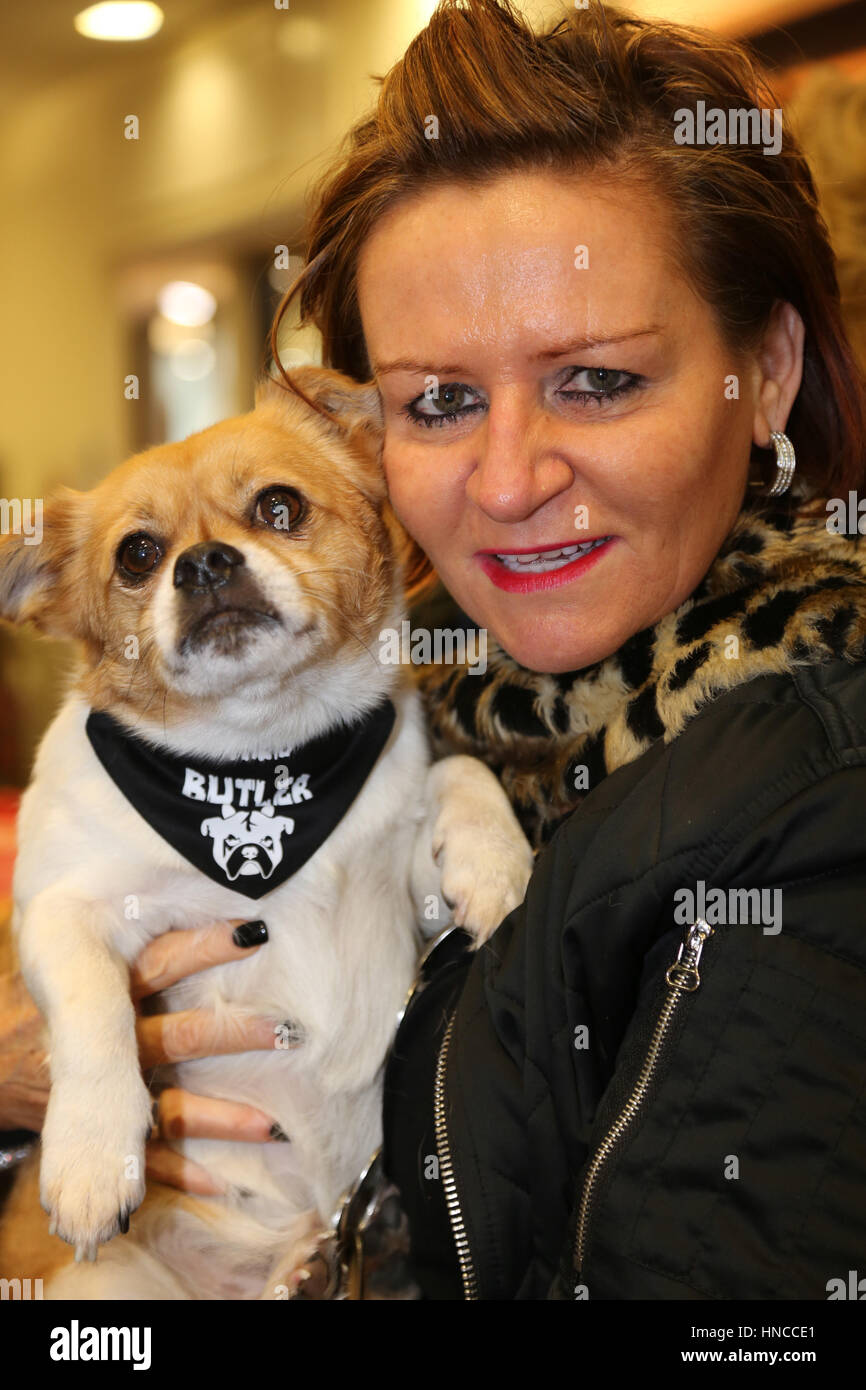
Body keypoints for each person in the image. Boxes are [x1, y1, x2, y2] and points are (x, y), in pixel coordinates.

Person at [3, 0, 866, 1299]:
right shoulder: (439, 723)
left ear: (767, 369)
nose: (509, 478)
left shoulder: (814, 782)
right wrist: (53, 1083)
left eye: (596, 379)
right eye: (440, 401)